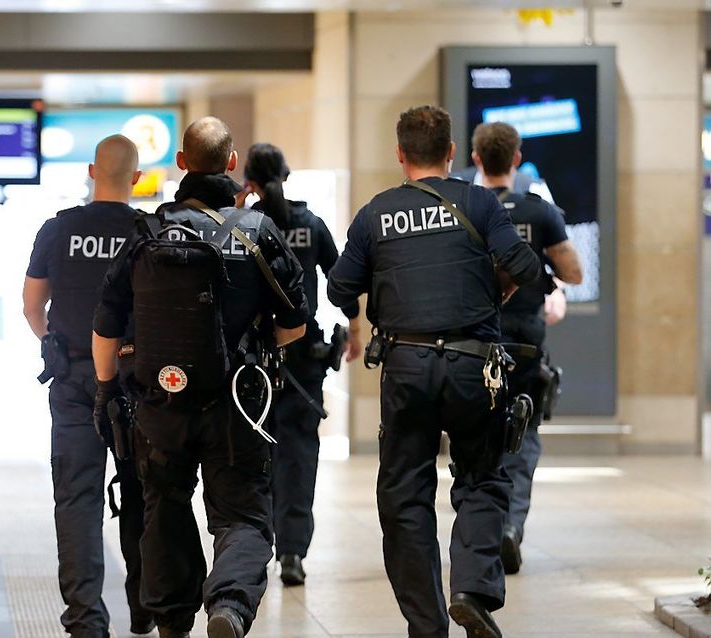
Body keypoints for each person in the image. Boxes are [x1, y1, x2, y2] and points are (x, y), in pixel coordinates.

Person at [327, 105, 542, 638]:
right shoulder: (479, 202)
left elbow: (336, 289)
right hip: (474, 365)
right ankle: (470, 588)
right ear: (451, 154)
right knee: (483, 477)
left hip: (405, 365)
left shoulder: (377, 213)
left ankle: (426, 624)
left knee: (404, 494)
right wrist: (499, 287)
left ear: (400, 155)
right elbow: (527, 269)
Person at [92, 117, 309, 638]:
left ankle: (171, 620)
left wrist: (105, 391)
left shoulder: (146, 232)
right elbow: (295, 323)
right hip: (235, 405)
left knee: (164, 509)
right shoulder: (256, 233)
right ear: (231, 163)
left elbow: (104, 325)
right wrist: (252, 351)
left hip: (159, 404)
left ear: (181, 163)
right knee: (243, 516)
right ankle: (229, 606)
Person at [22, 135, 152, 638]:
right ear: (136, 178)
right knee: (143, 491)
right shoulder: (149, 232)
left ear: (92, 170)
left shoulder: (60, 230)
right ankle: (144, 607)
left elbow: (33, 306)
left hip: (75, 379)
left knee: (77, 497)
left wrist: (53, 339)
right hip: (137, 382)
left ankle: (85, 619)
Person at [241, 143, 362, 587]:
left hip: (254, 359)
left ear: (249, 180)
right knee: (299, 454)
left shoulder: (246, 226)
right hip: (305, 359)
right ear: (287, 176)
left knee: (258, 455)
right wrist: (356, 331)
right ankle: (292, 552)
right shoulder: (310, 225)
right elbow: (343, 280)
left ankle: (256, 545)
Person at [470, 122, 583, 575]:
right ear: (516, 159)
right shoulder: (540, 211)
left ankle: (482, 532)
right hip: (527, 343)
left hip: (476, 344)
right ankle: (511, 527)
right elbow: (573, 272)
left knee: (479, 437)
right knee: (525, 435)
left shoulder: (465, 207)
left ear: (476, 158)